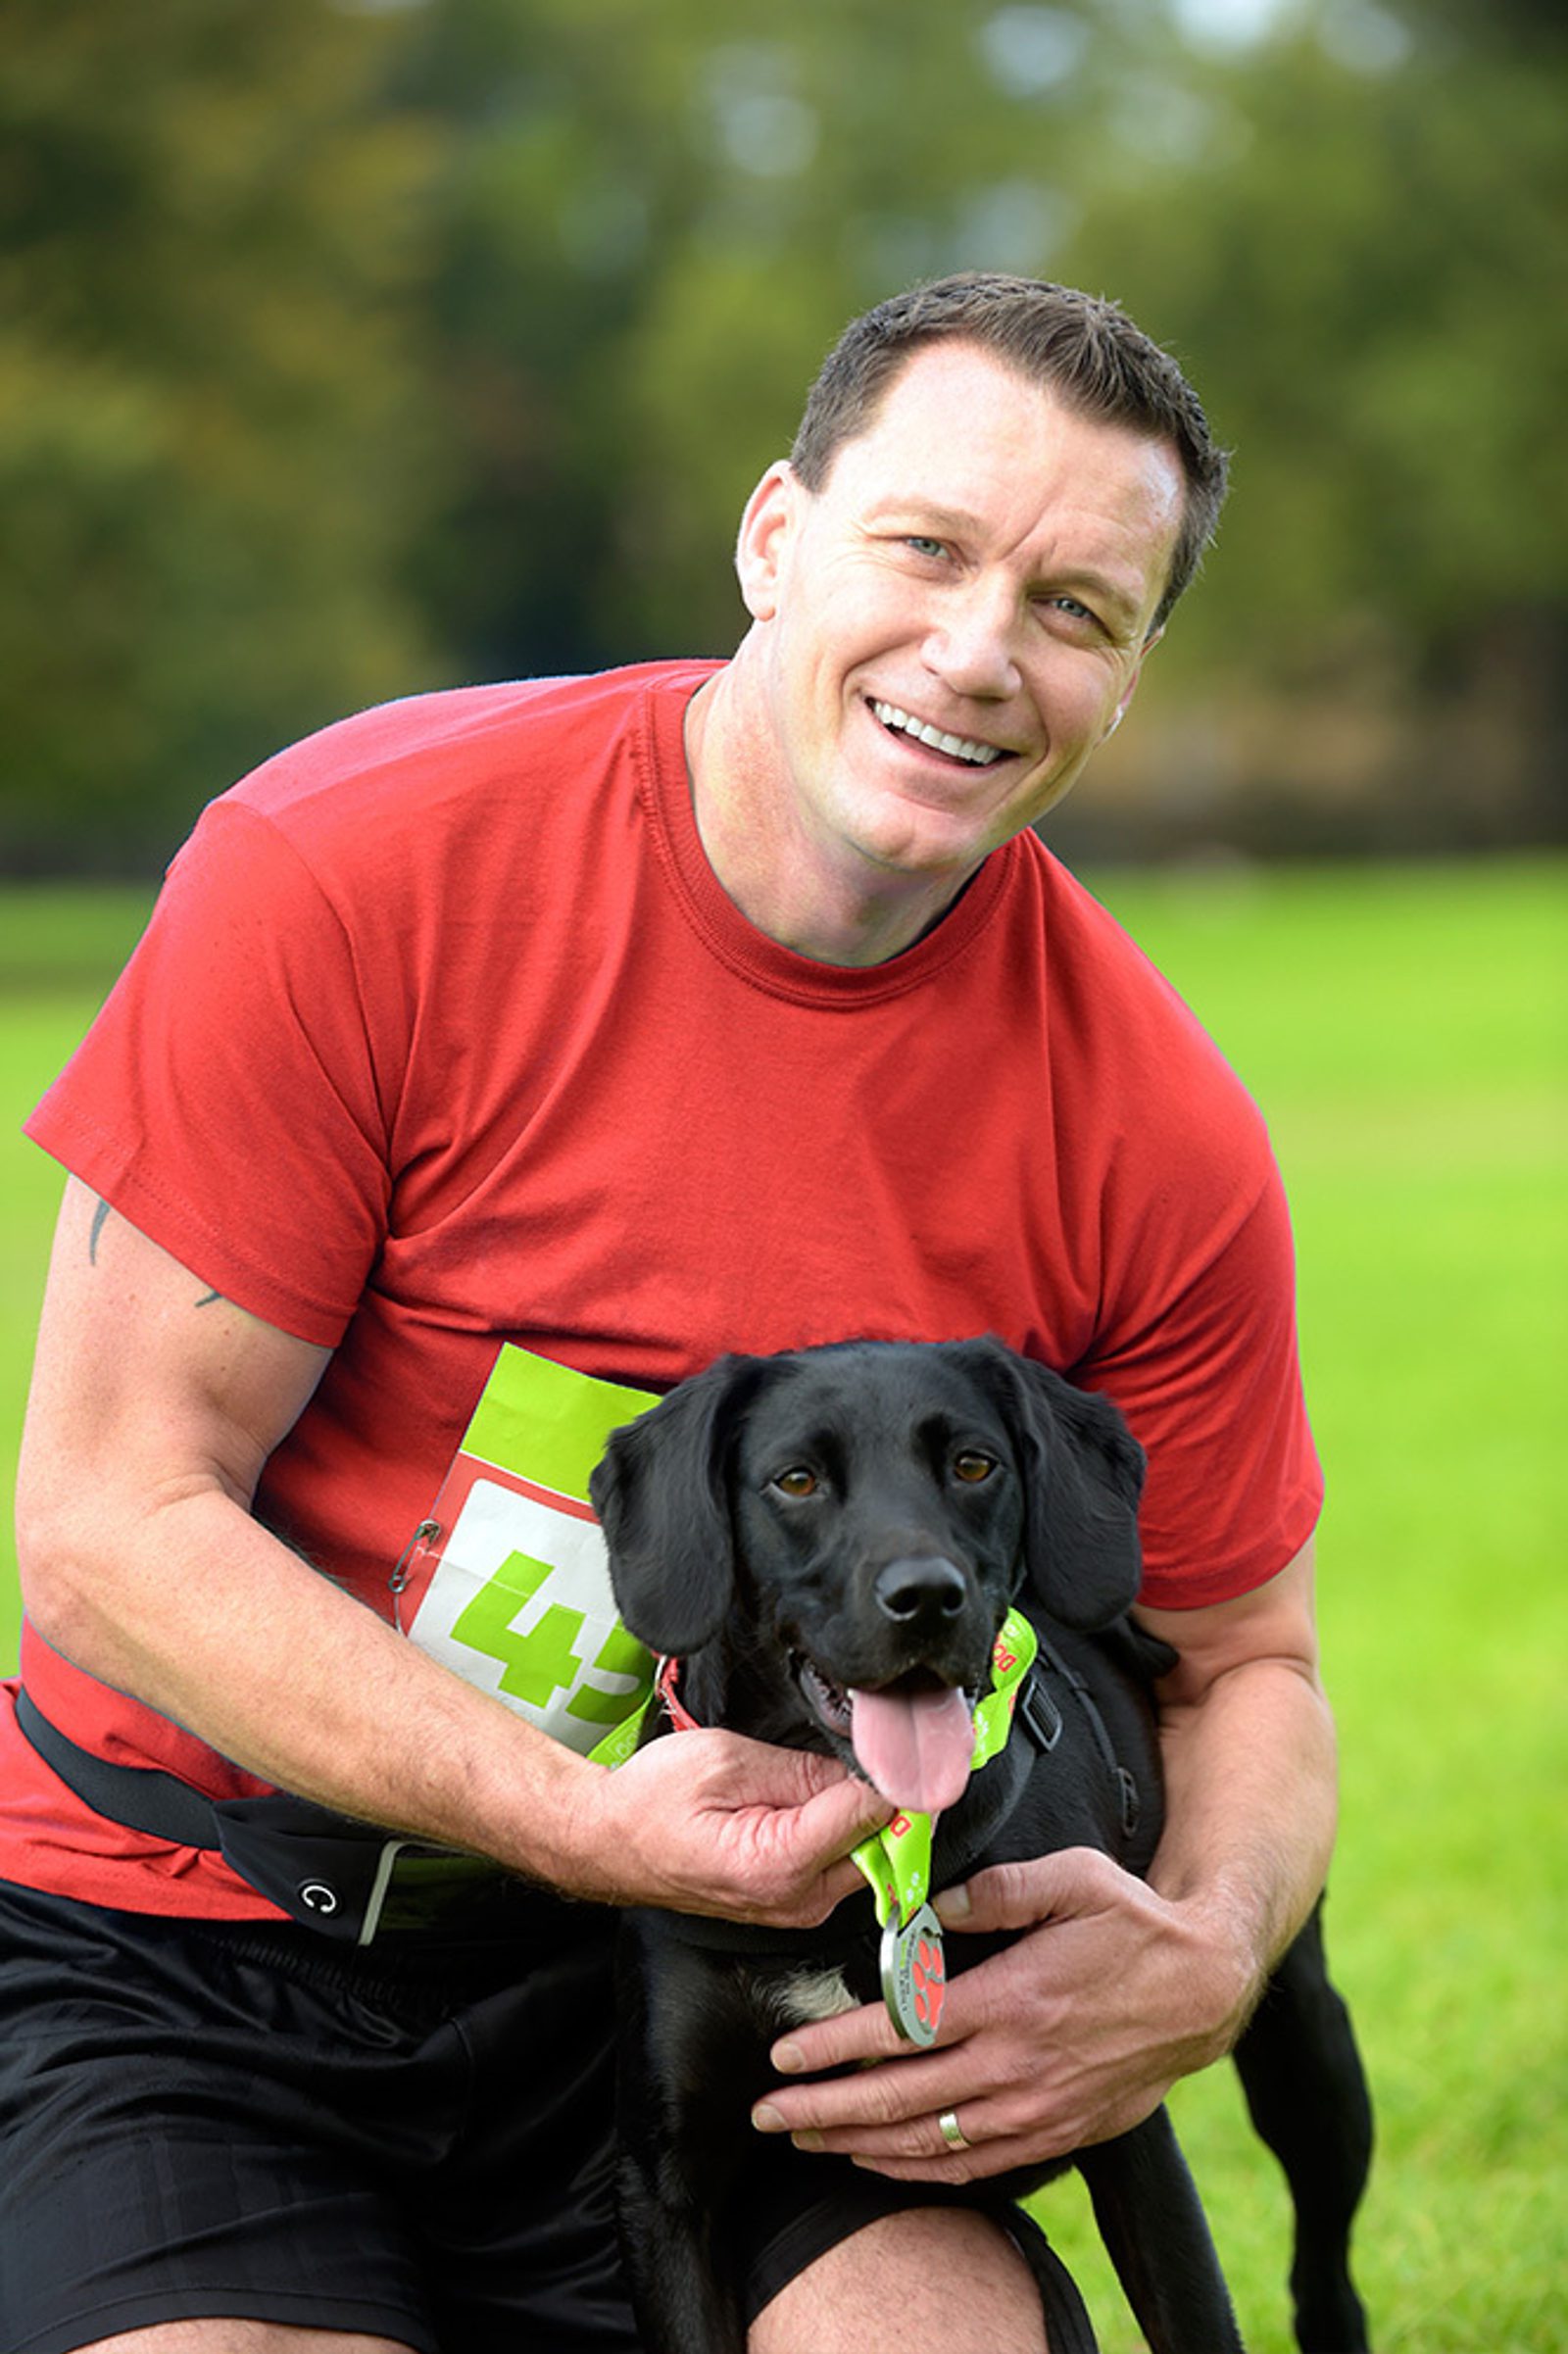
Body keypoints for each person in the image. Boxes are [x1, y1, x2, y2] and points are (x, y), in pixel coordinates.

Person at [3, 272, 1336, 2354]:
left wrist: (1207, 1946)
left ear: (1129, 671)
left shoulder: (1150, 1124)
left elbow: (1246, 1658)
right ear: (773, 536)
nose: (978, 652)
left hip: (734, 1998)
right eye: (926, 548)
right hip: (188, 1945)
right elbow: (102, 1524)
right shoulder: (351, 866)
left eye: (1076, 610)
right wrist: (571, 1820)